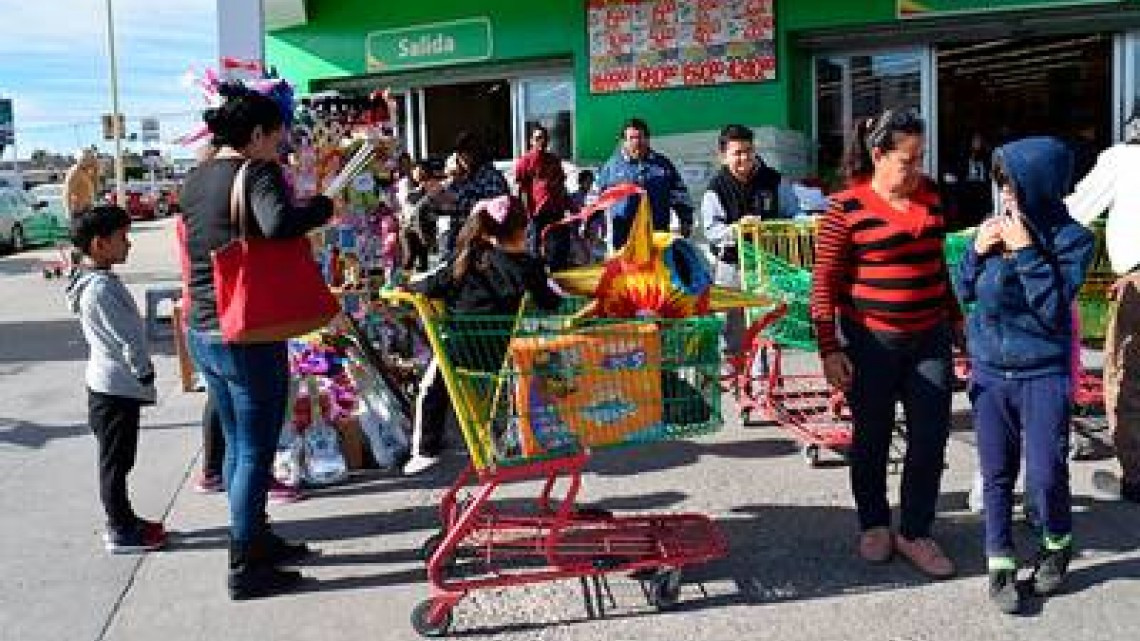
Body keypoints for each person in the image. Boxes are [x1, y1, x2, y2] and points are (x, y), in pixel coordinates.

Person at [179, 83, 333, 600]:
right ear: (258, 134)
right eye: (278, 133)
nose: (283, 142)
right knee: (253, 450)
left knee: (234, 443)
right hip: (246, 332)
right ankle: (245, 564)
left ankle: (257, 537)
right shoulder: (257, 171)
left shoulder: (195, 177)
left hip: (204, 328)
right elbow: (277, 223)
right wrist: (319, 209)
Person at [809, 109, 963, 580]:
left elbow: (937, 265)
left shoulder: (931, 197)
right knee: (872, 437)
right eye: (907, 160)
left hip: (929, 336)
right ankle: (874, 522)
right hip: (869, 342)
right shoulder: (845, 208)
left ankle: (916, 530)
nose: (916, 170)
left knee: (931, 436)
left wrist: (956, 319)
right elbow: (825, 282)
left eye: (920, 159)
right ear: (878, 155)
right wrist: (829, 349)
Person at [957, 138, 1094, 613]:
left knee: (1046, 473)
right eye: (1002, 185)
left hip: (1043, 375)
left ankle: (1056, 545)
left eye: (1013, 184)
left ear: (1039, 185)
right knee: (995, 474)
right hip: (991, 374)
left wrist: (1029, 253)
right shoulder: (996, 229)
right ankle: (999, 564)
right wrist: (975, 252)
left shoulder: (1074, 240)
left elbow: (1055, 313)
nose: (1006, 194)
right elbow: (965, 290)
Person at [402, 194, 563, 475]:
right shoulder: (530, 266)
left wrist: (408, 288)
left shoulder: (470, 259)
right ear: (525, 229)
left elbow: (431, 285)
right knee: (498, 394)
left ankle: (425, 451)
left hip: (460, 350)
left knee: (431, 387)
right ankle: (500, 442)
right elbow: (551, 302)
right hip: (501, 352)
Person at [65, 205, 166, 554]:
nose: (129, 245)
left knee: (120, 461)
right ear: (99, 244)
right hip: (115, 387)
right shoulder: (100, 289)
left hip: (108, 384)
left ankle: (125, 518)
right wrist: (144, 371)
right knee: (115, 463)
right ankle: (119, 529)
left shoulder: (93, 280)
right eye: (123, 238)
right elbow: (129, 338)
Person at [1065, 112, 1140, 504]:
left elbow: (1074, 210)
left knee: (1127, 377)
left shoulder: (1124, 160)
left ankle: (1136, 477)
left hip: (1138, 280)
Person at [703, 124, 801, 354]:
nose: (744, 158)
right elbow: (711, 230)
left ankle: (763, 381)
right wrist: (736, 229)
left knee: (768, 327)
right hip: (732, 267)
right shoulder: (716, 188)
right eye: (737, 153)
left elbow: (793, 213)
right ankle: (734, 381)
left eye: (748, 150)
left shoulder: (774, 180)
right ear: (723, 156)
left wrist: (806, 220)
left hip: (768, 265)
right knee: (731, 327)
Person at [595, 117, 693, 250]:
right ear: (623, 141)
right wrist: (590, 224)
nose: (636, 142)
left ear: (647, 139)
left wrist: (686, 220)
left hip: (657, 237)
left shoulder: (663, 165)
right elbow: (597, 200)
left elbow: (680, 194)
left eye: (640, 137)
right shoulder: (612, 167)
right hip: (624, 240)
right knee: (628, 271)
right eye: (631, 138)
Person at [442, 132, 509, 254]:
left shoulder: (491, 176)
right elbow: (443, 204)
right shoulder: (460, 177)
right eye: (460, 156)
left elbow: (492, 210)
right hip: (459, 240)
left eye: (467, 153)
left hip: (483, 242)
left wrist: (457, 202)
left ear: (478, 153)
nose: (464, 160)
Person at [515, 124, 570, 268]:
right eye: (538, 138)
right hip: (535, 213)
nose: (542, 141)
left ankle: (557, 278)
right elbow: (521, 189)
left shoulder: (554, 160)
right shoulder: (524, 161)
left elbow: (561, 185)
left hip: (555, 211)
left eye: (544, 138)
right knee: (533, 248)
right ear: (531, 141)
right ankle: (535, 277)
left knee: (557, 247)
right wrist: (526, 213)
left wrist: (568, 206)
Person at [398, 159, 446, 273]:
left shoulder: (433, 185)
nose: (417, 172)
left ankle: (419, 284)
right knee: (409, 257)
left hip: (425, 228)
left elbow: (436, 201)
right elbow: (409, 199)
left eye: (421, 170)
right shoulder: (405, 183)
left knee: (423, 260)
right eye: (415, 169)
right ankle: (401, 283)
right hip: (408, 227)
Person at [953, 132, 994, 218]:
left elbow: (989, 175)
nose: (977, 143)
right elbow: (958, 176)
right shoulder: (963, 158)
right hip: (968, 192)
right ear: (970, 142)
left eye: (979, 140)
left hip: (982, 192)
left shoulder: (986, 158)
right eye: (975, 140)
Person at [64, 148, 100, 218]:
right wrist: (68, 212)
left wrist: (96, 172)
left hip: (88, 208)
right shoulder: (75, 171)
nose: (93, 161)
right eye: (91, 158)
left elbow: (96, 188)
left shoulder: (88, 171)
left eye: (93, 158)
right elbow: (67, 192)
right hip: (78, 210)